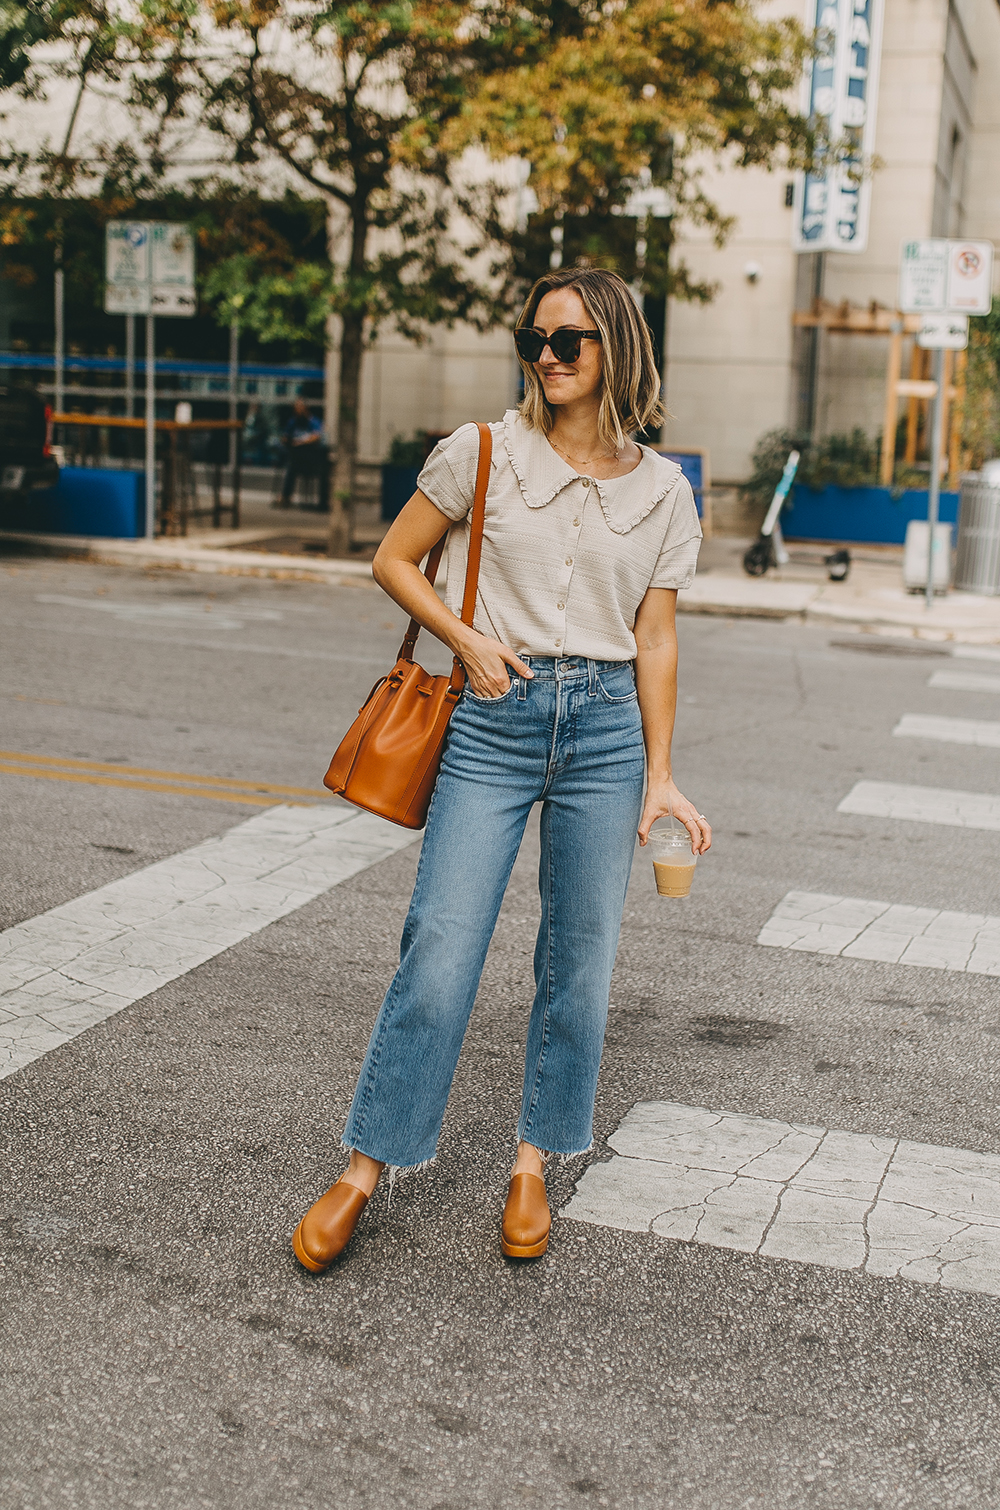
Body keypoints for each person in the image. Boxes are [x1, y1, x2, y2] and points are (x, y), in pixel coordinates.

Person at [292, 266, 712, 1272]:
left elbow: (655, 640)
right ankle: (366, 1164)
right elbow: (395, 559)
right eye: (535, 340)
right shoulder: (481, 453)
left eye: (570, 341)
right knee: (437, 954)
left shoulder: (663, 491)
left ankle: (533, 1160)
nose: (548, 358)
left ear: (619, 347)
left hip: (605, 730)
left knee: (579, 967)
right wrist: (465, 639)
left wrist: (661, 773)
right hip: (490, 716)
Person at [277, 398, 326, 507]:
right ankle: (286, 497)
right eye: (296, 409)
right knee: (291, 468)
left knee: (294, 466)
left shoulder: (313, 421)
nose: (298, 411)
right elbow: (285, 437)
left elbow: (316, 436)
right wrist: (289, 441)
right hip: (296, 460)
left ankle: (321, 503)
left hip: (311, 461)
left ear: (306, 409)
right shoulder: (293, 421)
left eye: (300, 408)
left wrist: (301, 441)